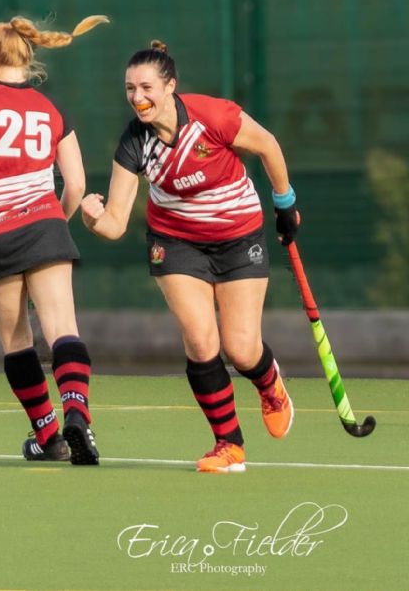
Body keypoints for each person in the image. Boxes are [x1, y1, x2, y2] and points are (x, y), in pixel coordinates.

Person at [80, 40, 299, 473]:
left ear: (171, 86)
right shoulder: (134, 143)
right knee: (201, 341)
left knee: (240, 348)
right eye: (129, 89)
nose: (137, 98)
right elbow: (115, 223)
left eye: (146, 88)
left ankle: (269, 382)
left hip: (239, 235)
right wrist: (91, 217)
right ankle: (228, 444)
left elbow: (268, 145)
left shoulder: (213, 116)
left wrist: (285, 202)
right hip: (176, 241)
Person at [0, 13, 109, 465]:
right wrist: (57, 223)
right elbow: (74, 184)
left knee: (16, 340)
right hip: (44, 227)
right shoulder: (51, 109)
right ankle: (78, 414)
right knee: (62, 329)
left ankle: (48, 435)